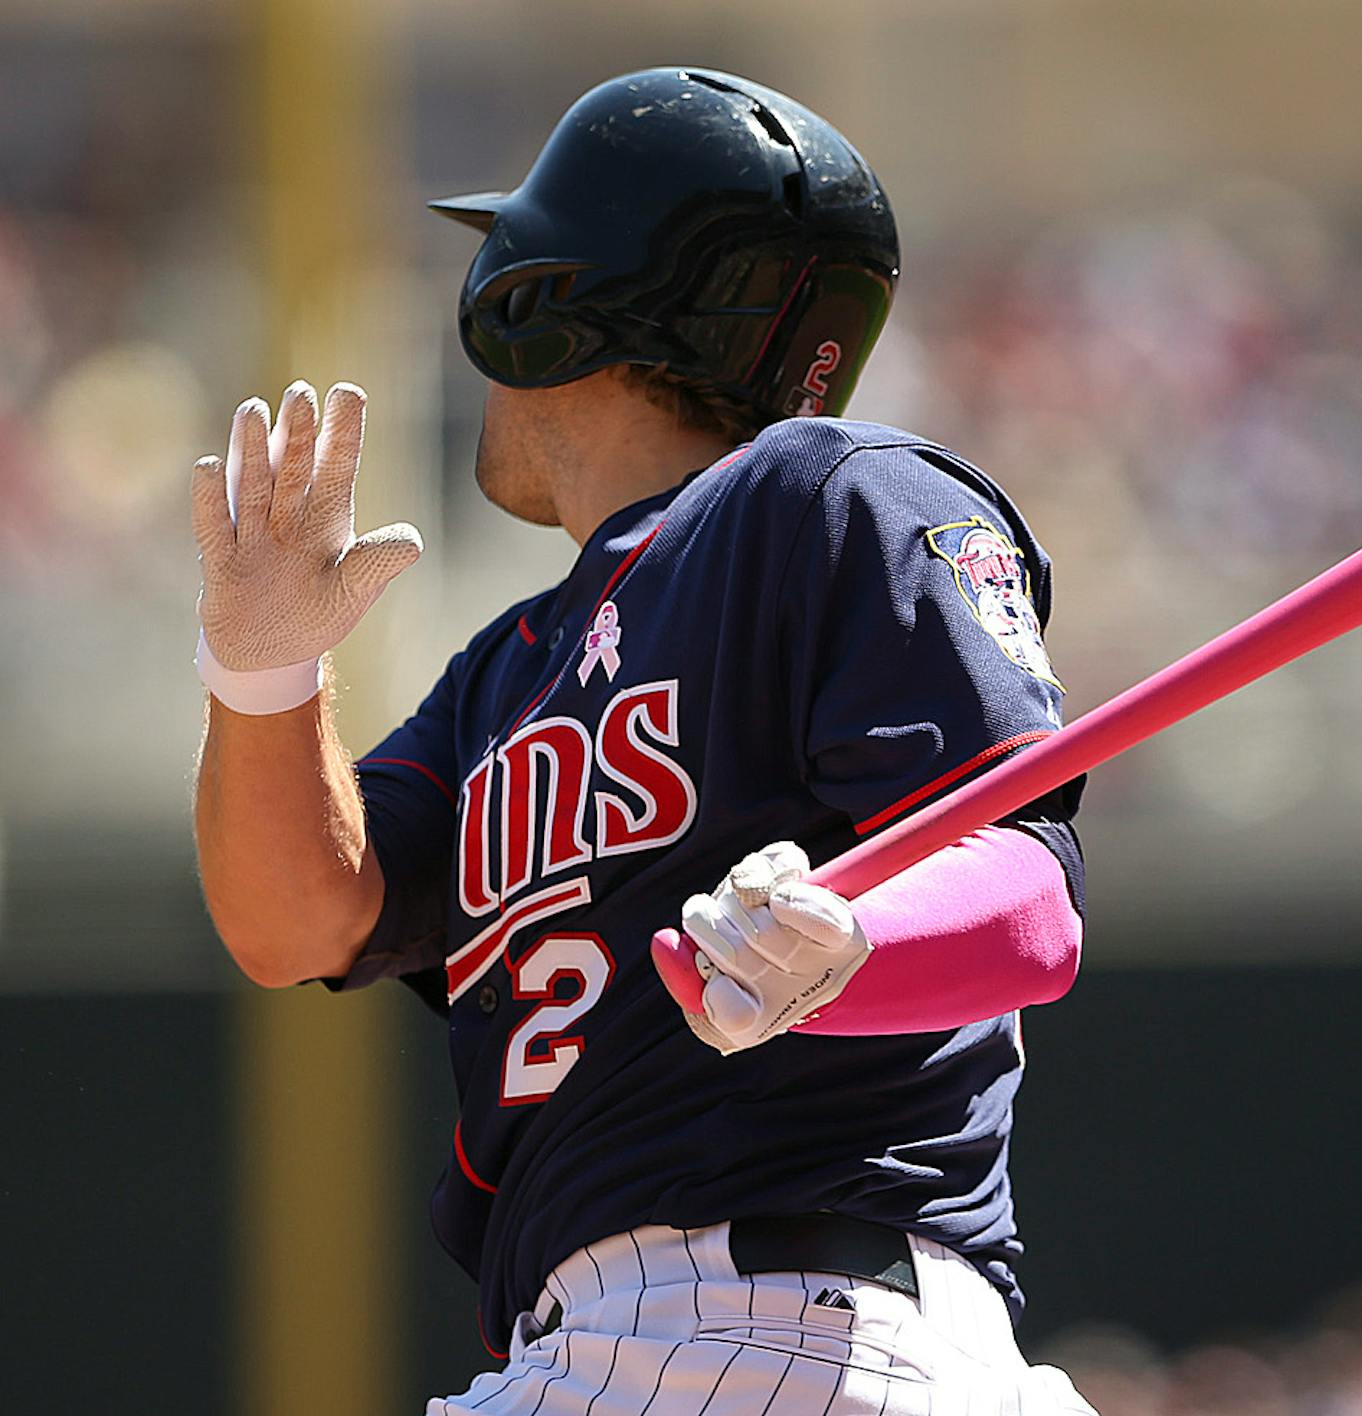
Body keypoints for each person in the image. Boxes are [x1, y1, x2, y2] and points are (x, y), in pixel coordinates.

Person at [190, 67, 1094, 1415]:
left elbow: (1029, 900)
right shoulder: (509, 667)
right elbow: (298, 922)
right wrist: (263, 676)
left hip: (784, 1315)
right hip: (636, 1349)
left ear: (552, 297)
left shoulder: (830, 494)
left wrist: (850, 949)